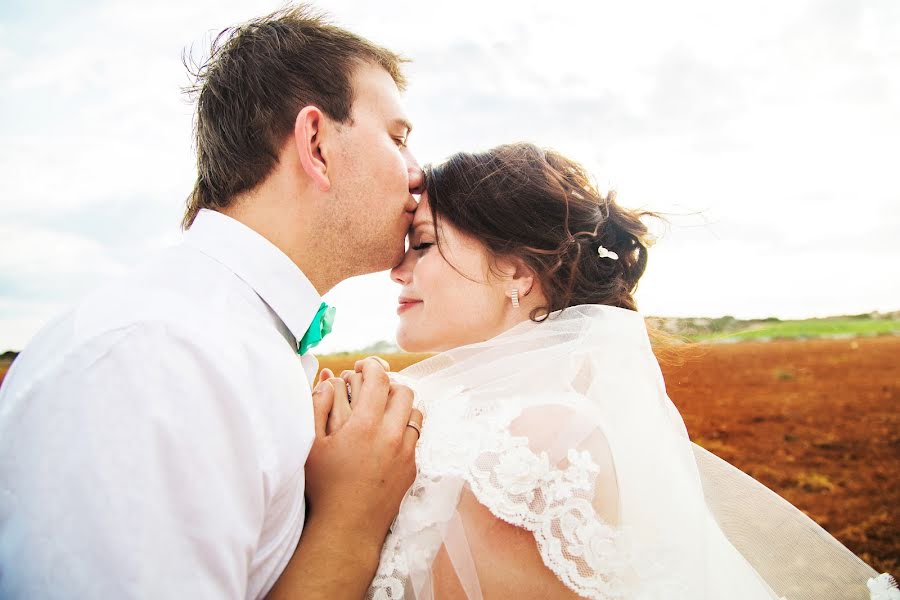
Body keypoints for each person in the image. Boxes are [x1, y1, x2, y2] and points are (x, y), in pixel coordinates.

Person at [336, 142, 895, 599]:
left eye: (425, 244)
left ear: (514, 271)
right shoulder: (491, 412)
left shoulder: (537, 438)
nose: (398, 270)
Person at [0, 6, 424, 598]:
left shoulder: (218, 339)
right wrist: (351, 520)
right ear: (316, 144)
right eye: (399, 139)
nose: (417, 173)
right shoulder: (156, 356)